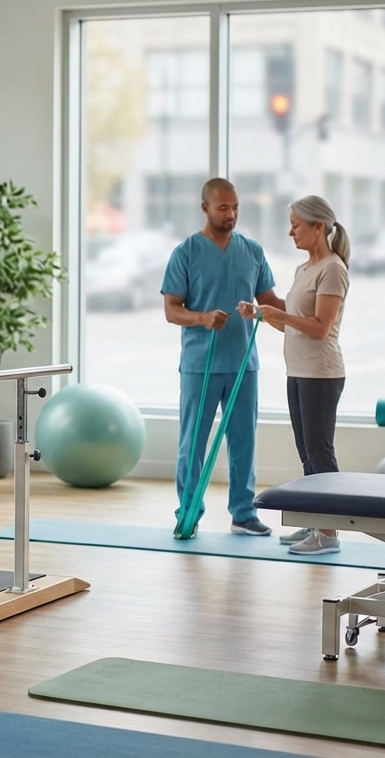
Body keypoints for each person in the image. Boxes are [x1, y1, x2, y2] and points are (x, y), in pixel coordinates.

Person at [162, 177, 280, 536]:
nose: (231, 214)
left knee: (244, 441)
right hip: (201, 365)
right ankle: (188, 512)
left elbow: (271, 303)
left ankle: (244, 514)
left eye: (236, 207)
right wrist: (202, 318)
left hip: (244, 363)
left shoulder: (253, 251)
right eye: (223, 207)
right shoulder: (186, 253)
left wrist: (307, 320)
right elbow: (171, 309)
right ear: (205, 209)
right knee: (193, 443)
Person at [238, 195, 350, 556]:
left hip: (321, 373)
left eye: (296, 225)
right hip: (299, 371)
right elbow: (293, 322)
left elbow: (319, 327)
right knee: (306, 454)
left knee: (320, 454)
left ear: (318, 227)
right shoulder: (306, 269)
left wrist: (278, 314)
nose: (290, 232)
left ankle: (329, 535)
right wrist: (260, 313)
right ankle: (317, 522)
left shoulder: (332, 269)